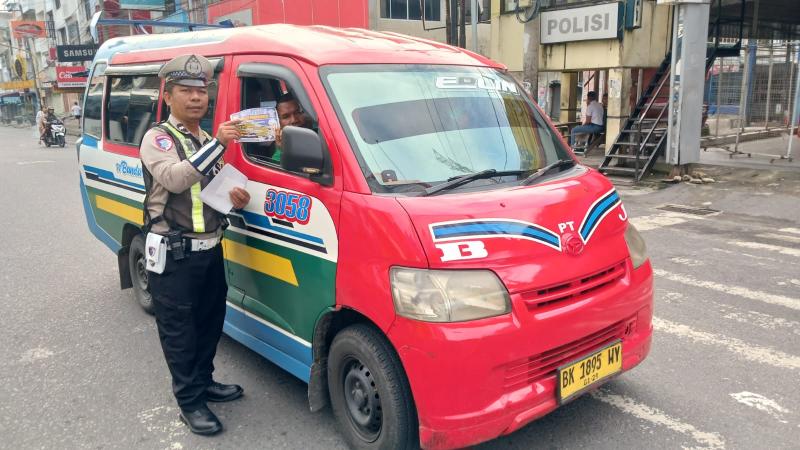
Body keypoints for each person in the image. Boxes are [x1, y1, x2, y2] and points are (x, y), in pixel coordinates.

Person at [139, 53, 250, 436]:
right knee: (180, 332)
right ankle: (189, 402)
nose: (196, 98)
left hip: (210, 250)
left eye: (201, 91)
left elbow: (209, 190)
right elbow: (174, 179)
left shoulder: (203, 139)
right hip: (174, 255)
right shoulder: (158, 138)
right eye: (185, 91)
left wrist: (234, 197)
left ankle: (204, 383)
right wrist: (219, 144)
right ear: (168, 96)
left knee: (209, 323)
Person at [273, 92, 312, 161]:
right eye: (286, 117)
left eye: (297, 112)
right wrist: (284, 150)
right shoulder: (278, 156)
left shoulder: (322, 134)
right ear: (278, 122)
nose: (294, 120)